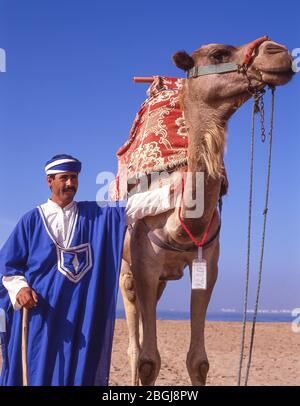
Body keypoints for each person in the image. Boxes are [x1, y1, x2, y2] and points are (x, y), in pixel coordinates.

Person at [0, 154, 175, 386]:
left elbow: (136, 206)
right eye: (64, 178)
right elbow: (8, 266)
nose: (70, 184)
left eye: (74, 178)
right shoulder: (31, 221)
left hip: (81, 315)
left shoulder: (97, 216)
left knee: (80, 371)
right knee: (37, 372)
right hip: (41, 316)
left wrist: (179, 190)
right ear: (49, 181)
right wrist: (20, 288)